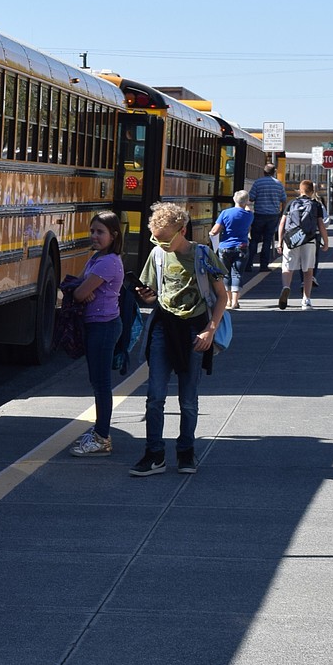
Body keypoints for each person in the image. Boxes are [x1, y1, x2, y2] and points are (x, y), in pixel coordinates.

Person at [131, 201, 228, 476]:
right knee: (154, 396)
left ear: (182, 230)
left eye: (165, 240)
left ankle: (186, 452)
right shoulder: (157, 255)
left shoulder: (203, 255)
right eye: (156, 239)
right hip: (164, 326)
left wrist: (211, 328)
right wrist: (146, 296)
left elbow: (222, 296)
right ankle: (154, 454)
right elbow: (151, 290)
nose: (160, 245)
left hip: (194, 329)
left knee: (188, 398)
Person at [68, 210, 126, 458]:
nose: (94, 236)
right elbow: (78, 285)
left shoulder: (107, 262)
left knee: (101, 384)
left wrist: (83, 289)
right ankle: (100, 433)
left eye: (100, 232)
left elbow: (80, 293)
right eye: (92, 231)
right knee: (97, 381)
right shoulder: (97, 258)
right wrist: (82, 288)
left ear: (113, 235)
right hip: (97, 325)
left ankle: (102, 437)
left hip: (104, 327)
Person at [277, 179, 329, 310]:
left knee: (287, 267)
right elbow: (321, 225)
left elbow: (282, 224)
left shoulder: (291, 203)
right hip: (309, 239)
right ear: (312, 191)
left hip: (291, 239)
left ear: (299, 190)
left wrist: (280, 242)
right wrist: (326, 242)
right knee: (308, 270)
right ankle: (306, 300)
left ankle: (286, 287)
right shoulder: (315, 205)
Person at [209, 189, 252, 309]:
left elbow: (215, 231)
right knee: (237, 275)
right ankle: (235, 302)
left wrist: (212, 234)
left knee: (226, 274)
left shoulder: (225, 213)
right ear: (247, 201)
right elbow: (248, 209)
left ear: (234, 199)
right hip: (242, 247)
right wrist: (246, 204)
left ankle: (228, 301)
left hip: (225, 247)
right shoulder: (249, 215)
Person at [245, 164, 286, 272]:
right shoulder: (278, 184)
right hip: (273, 216)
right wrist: (282, 212)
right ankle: (263, 266)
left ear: (264, 172)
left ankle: (248, 264)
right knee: (267, 241)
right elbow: (283, 199)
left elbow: (251, 198)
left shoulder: (258, 183)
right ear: (274, 172)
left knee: (254, 240)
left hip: (259, 215)